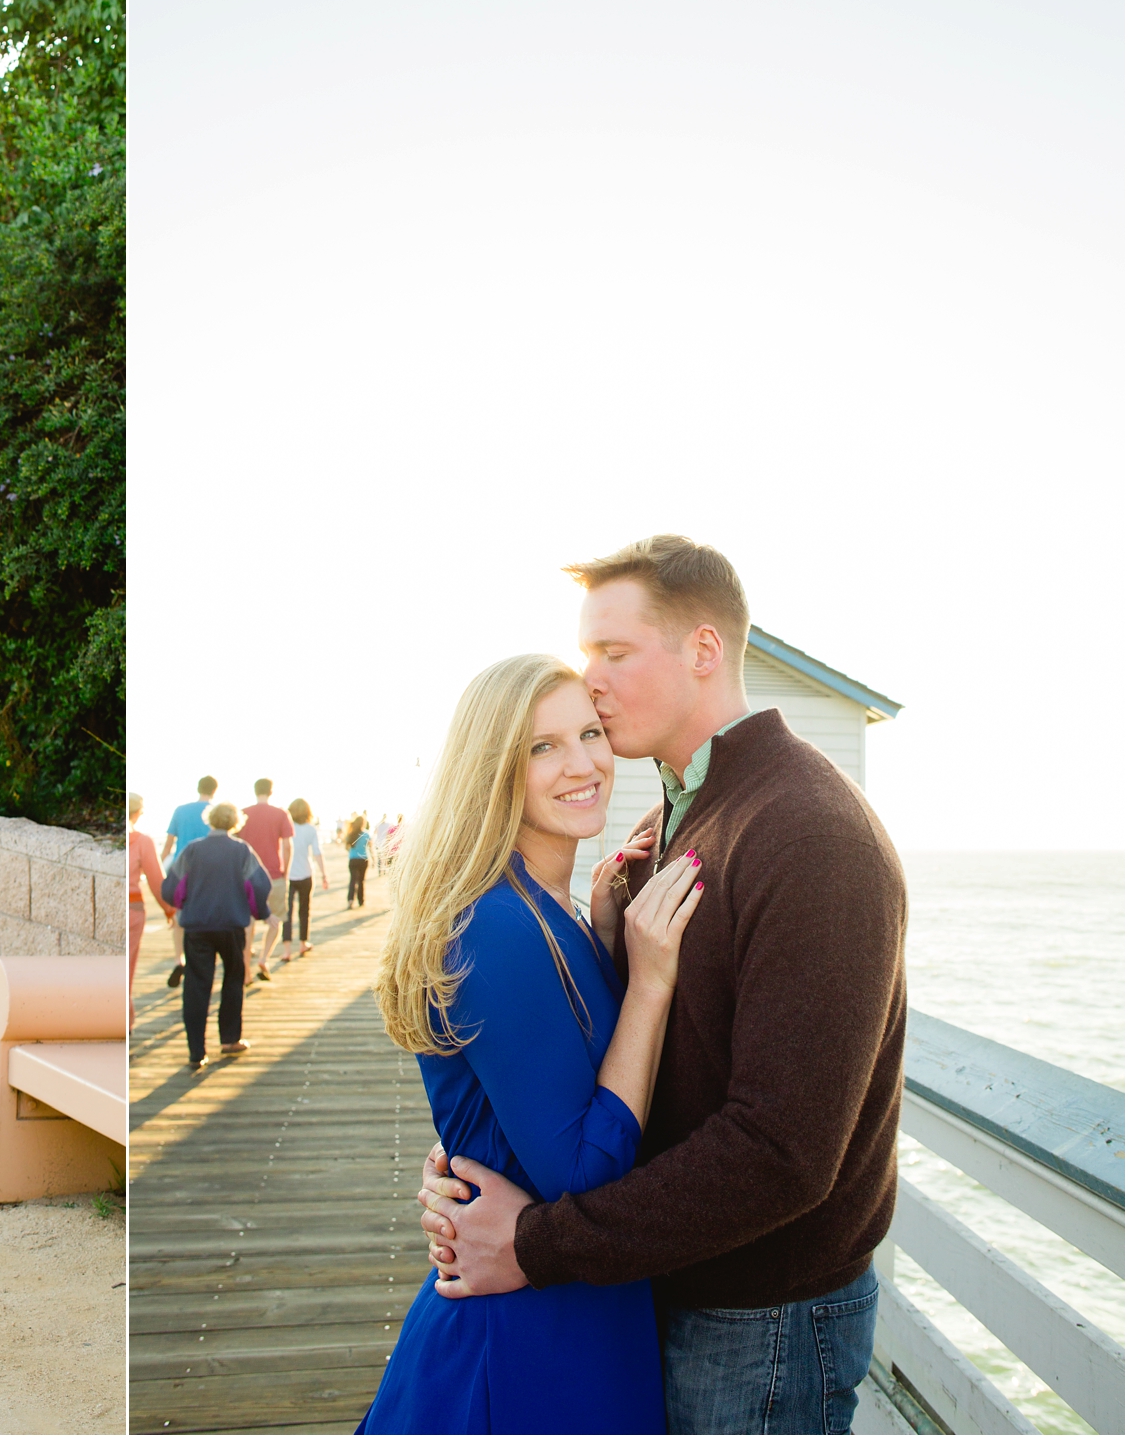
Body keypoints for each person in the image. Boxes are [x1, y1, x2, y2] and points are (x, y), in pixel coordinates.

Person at [418, 536, 907, 1435]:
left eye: (613, 652)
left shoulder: (810, 835)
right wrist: (481, 1161)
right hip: (671, 1281)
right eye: (584, 654)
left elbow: (783, 1152)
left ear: (704, 651)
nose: (590, 678)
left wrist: (537, 1241)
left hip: (762, 1318)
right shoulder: (676, 817)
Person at [358, 654, 697, 1433]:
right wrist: (649, 983)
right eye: (543, 746)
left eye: (589, 732)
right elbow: (581, 1170)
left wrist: (607, 938)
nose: (582, 764)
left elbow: (554, 1073)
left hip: (566, 1313)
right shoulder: (498, 925)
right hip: (523, 1347)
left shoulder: (551, 908)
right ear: (493, 769)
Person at [159, 801, 271, 1071]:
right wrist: (259, 911)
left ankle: (196, 1052)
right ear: (235, 822)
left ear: (210, 820)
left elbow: (170, 887)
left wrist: (184, 903)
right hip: (231, 926)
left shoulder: (192, 849)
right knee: (233, 981)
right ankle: (230, 1039)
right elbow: (260, 884)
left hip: (197, 927)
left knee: (196, 987)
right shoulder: (242, 851)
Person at [159, 776, 219, 987]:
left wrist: (160, 872)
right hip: (209, 873)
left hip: (181, 870)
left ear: (197, 788)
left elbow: (168, 846)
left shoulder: (180, 811)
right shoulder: (216, 813)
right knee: (209, 917)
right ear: (215, 790)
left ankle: (179, 959)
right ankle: (203, 963)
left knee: (179, 918)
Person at [236, 778, 294, 984]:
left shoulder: (242, 813)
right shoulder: (280, 814)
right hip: (274, 876)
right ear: (271, 792)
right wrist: (285, 872)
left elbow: (236, 845)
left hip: (247, 877)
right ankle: (263, 958)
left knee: (247, 924)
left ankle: (245, 971)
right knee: (275, 920)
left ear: (255, 791)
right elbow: (287, 846)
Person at [127, 793, 174, 1027]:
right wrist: (169, 910)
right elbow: (157, 881)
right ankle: (126, 1023)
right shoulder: (142, 841)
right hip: (132, 911)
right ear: (138, 813)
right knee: (127, 969)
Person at [274, 797, 329, 964]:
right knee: (305, 910)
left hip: (287, 875)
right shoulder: (311, 830)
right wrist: (324, 874)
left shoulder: (285, 827)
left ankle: (286, 950)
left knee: (287, 913)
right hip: (306, 874)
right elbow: (317, 853)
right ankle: (303, 943)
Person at [344, 816, 373, 907]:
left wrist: (352, 852)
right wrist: (374, 859)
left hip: (353, 859)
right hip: (363, 860)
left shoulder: (351, 834)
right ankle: (361, 901)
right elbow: (371, 848)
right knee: (361, 881)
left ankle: (350, 900)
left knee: (352, 880)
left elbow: (346, 847)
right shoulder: (366, 834)